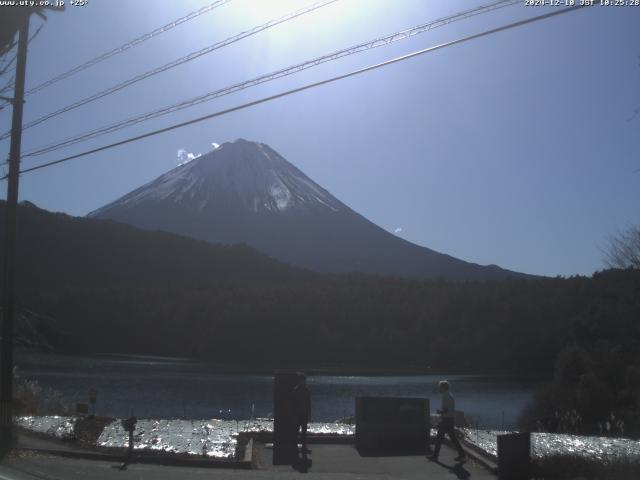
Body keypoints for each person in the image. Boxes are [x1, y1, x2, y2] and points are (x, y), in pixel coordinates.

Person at [429, 380, 466, 462]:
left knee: (439, 437)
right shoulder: (449, 396)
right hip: (450, 419)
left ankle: (435, 456)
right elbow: (448, 409)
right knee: (453, 438)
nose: (439, 389)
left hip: (446, 420)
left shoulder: (445, 396)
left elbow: (446, 410)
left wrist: (439, 412)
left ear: (443, 388)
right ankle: (462, 454)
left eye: (440, 387)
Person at [292, 373, 311, 452]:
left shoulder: (296, 390)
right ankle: (299, 446)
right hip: (299, 413)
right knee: (299, 431)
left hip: (301, 413)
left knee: (302, 432)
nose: (303, 381)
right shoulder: (304, 390)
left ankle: (301, 446)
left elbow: (308, 404)